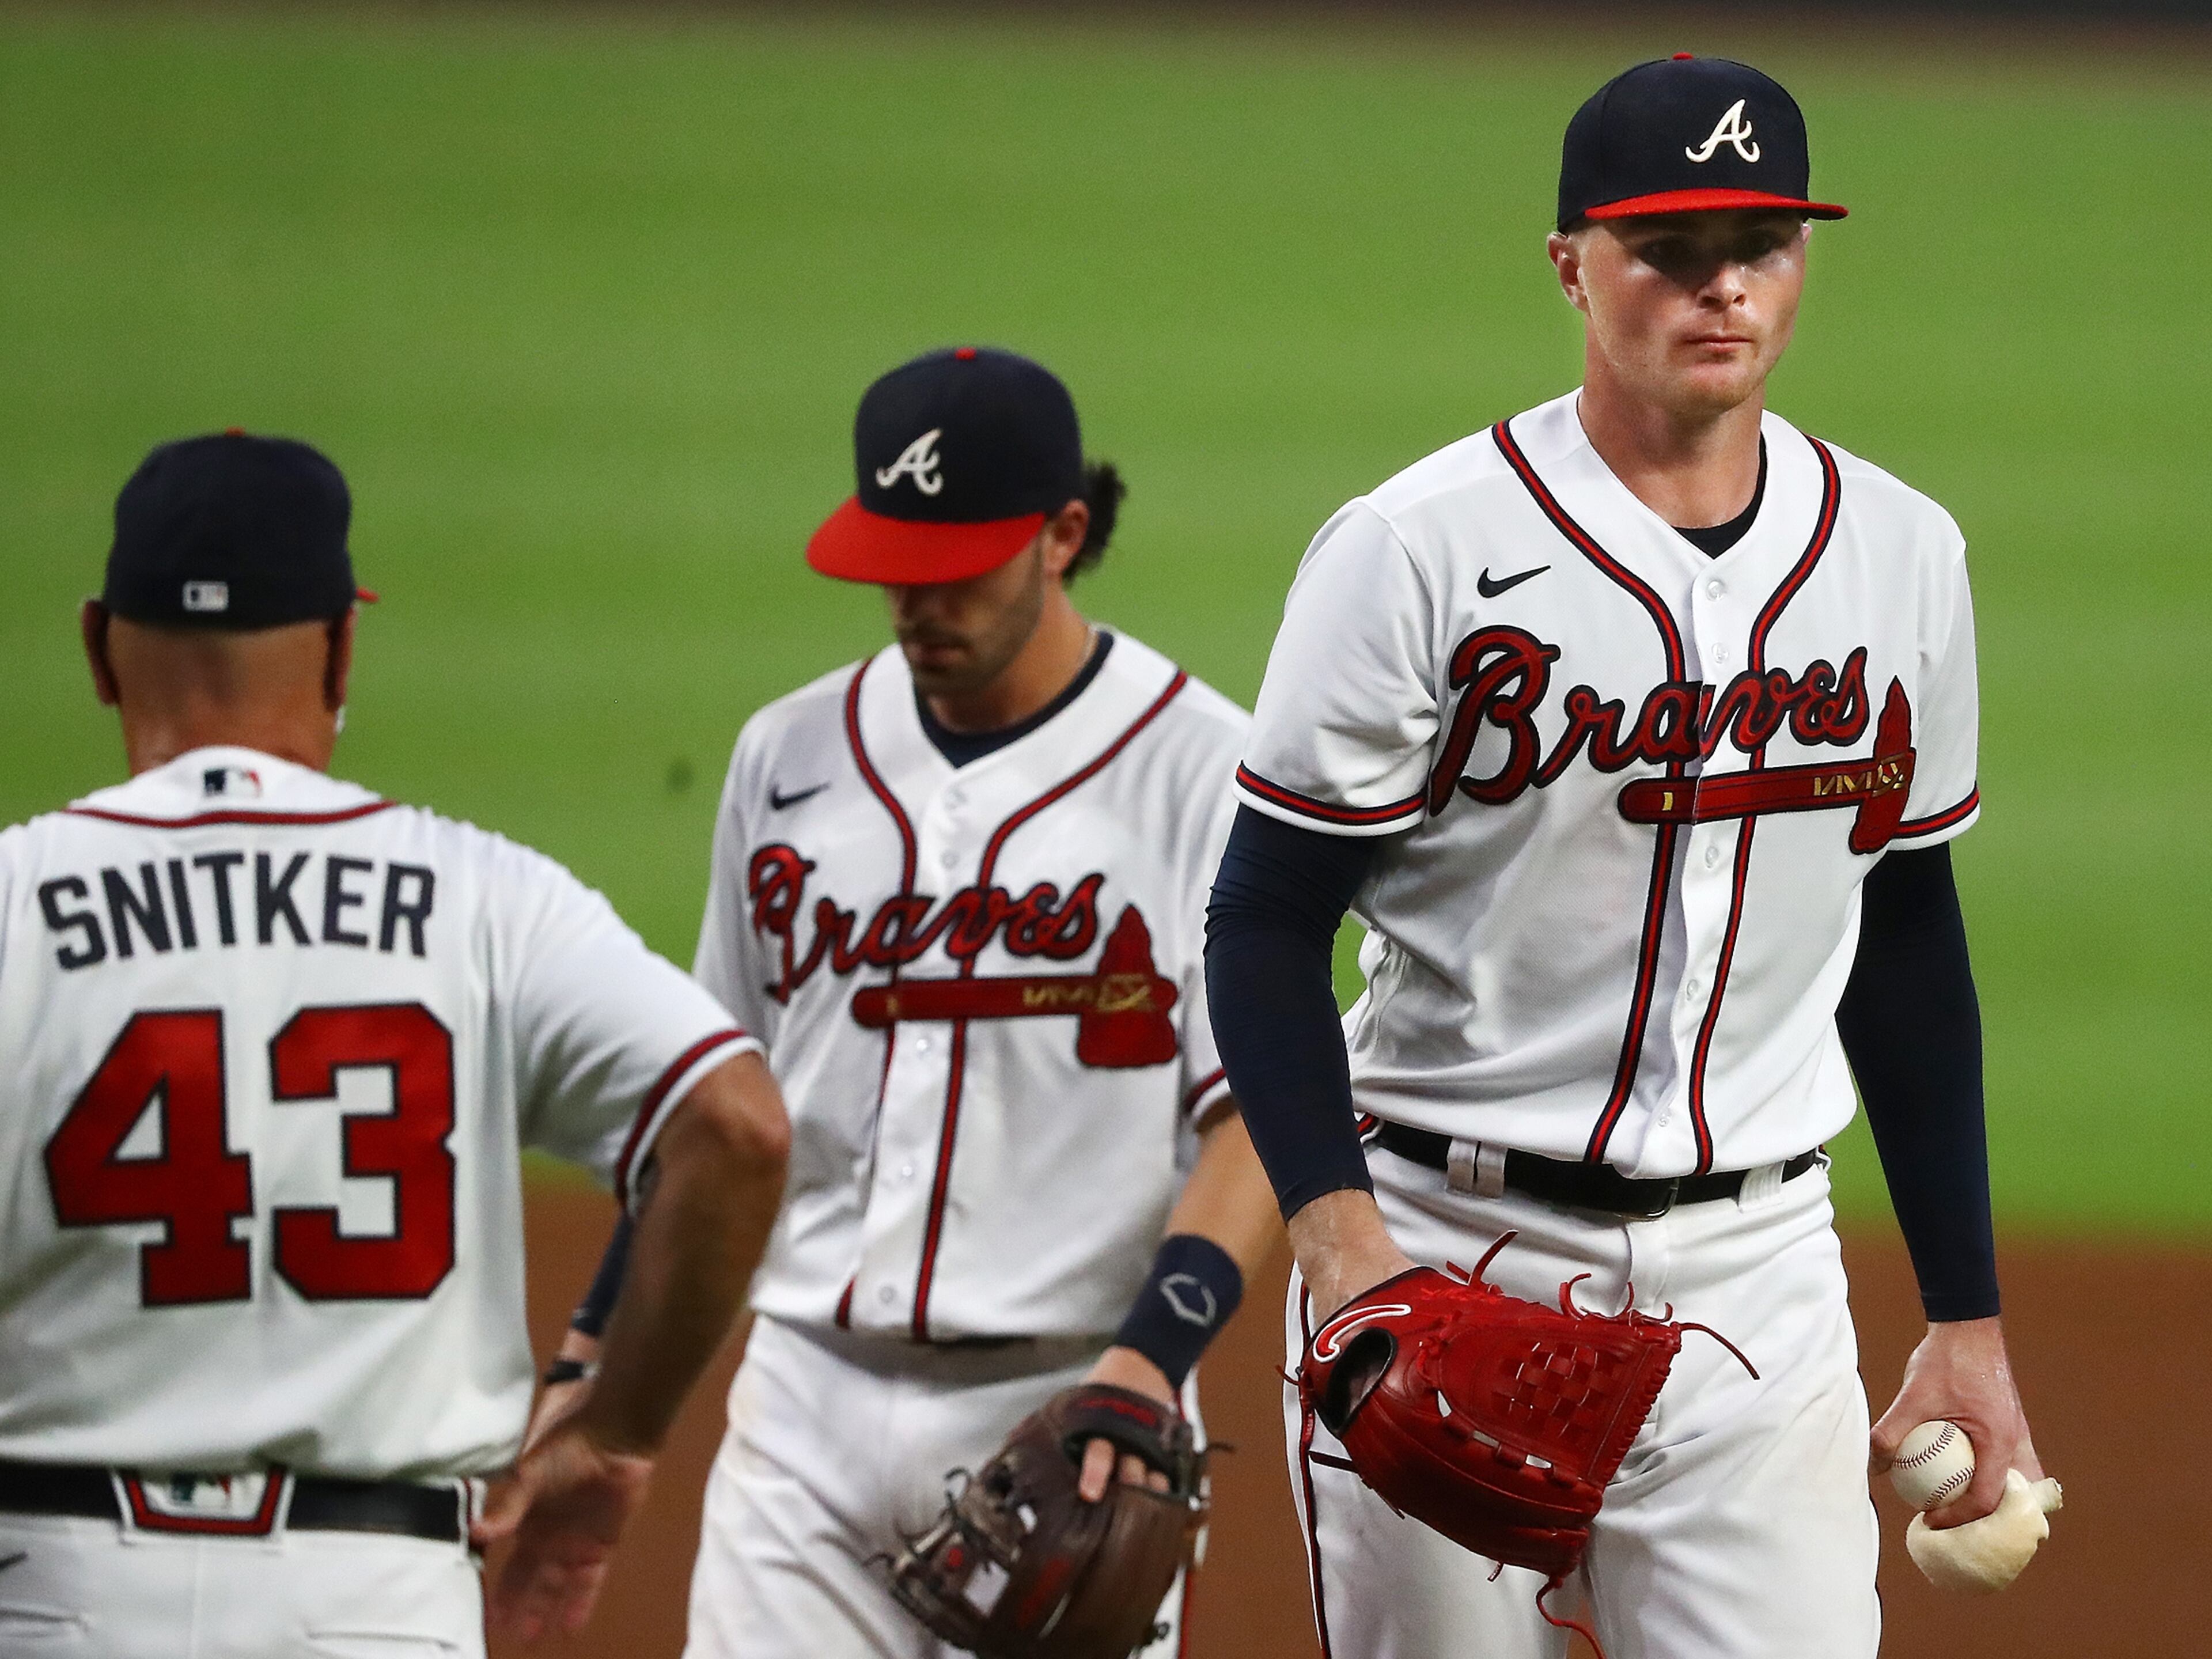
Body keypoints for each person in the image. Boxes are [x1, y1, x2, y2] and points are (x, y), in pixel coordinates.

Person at [1205, 55, 2041, 1659]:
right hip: (1449, 1255)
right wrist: (1344, 1253)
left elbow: (1909, 931)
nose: (1723, 283)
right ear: (1571, 264)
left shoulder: (1903, 554)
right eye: (1669, 246)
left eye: (1764, 240)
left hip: (1762, 1283)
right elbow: (1262, 918)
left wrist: (1968, 1321)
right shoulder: (1417, 549)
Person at [534, 346, 1282, 1657]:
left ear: (1065, 536)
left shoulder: (1199, 769)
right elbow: (716, 1106)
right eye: (898, 563)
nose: (919, 601)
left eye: (960, 566)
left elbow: (1256, 1116)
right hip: (804, 1412)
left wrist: (1152, 1363)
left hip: (1070, 1414)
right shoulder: (788, 757)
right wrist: (593, 1353)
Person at [0, 432, 791, 1655]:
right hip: (373, 1611)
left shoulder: (11, 900)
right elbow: (737, 1126)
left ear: (101, 650)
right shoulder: (487, 898)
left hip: (58, 1597)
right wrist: (612, 1433)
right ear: (342, 650)